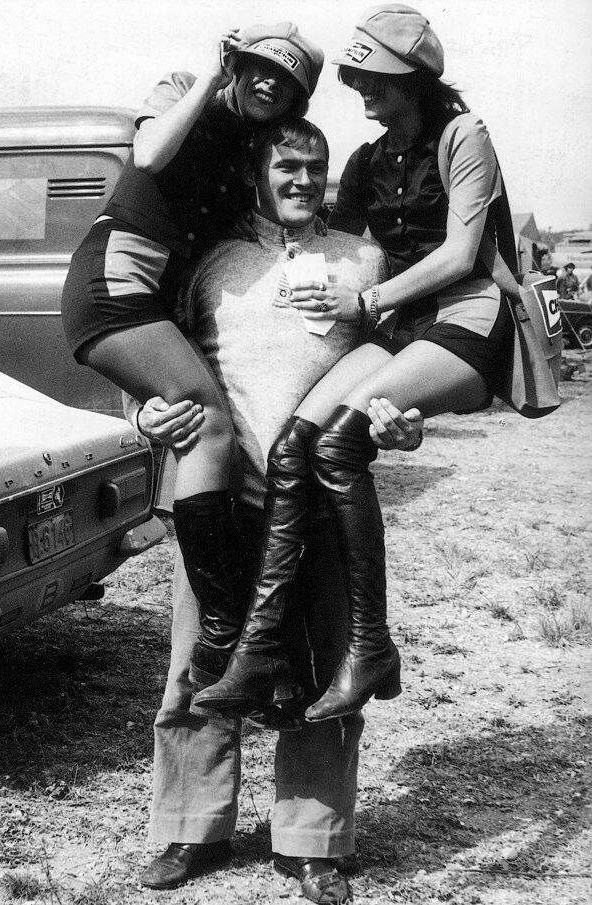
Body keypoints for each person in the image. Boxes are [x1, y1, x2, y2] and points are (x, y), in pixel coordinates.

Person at [125, 119, 423, 902]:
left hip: (320, 505)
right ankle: (190, 829)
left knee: (326, 670)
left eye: (315, 166)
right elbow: (154, 360)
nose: (302, 178)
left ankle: (312, 841)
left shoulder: (364, 260)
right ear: (258, 169)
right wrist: (146, 414)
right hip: (219, 500)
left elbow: (395, 373)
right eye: (286, 163)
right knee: (200, 664)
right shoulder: (209, 259)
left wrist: (407, 422)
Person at [195, 2, 516, 725]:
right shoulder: (370, 159)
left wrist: (367, 302)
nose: (360, 89)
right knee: (291, 450)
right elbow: (319, 236)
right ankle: (260, 648)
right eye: (356, 75)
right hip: (403, 327)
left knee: (338, 442)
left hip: (467, 319)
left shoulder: (462, 135)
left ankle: (370, 644)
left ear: (412, 79)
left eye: (372, 76)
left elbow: (462, 255)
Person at [61, 23, 324, 701]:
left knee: (199, 419)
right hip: (117, 281)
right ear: (235, 60)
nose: (269, 82)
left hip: (162, 301)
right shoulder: (183, 90)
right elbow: (148, 156)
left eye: (287, 80)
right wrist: (210, 77)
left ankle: (230, 638)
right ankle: (225, 628)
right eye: (258, 65)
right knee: (206, 421)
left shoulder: (255, 152)